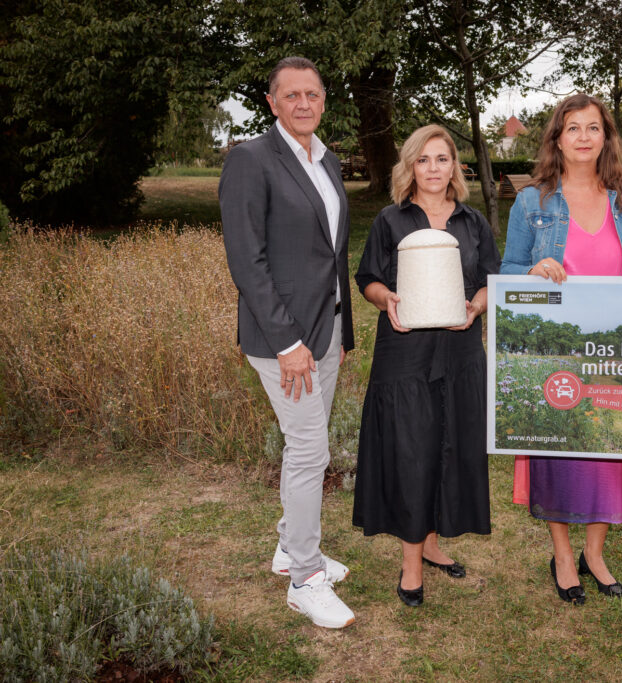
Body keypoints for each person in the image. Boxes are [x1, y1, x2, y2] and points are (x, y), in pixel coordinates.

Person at [220, 57, 356, 629]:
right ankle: (304, 578)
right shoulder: (251, 159)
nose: (304, 103)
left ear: (324, 101)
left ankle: (288, 547)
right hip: (284, 341)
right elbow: (246, 261)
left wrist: (341, 331)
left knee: (306, 446)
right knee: (310, 451)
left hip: (325, 332)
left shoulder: (327, 159)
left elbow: (332, 254)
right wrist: (287, 342)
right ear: (272, 102)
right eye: (291, 95)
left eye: (313, 94)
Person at [500, 94, 622, 605]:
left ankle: (595, 554)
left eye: (593, 128)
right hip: (555, 349)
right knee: (557, 451)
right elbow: (507, 272)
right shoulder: (532, 202)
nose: (583, 137)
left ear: (605, 138)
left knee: (608, 447)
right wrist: (532, 272)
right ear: (557, 138)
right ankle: (563, 556)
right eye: (572, 128)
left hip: (610, 349)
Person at [353, 125, 499, 607]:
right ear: (409, 167)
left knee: (450, 446)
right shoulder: (391, 220)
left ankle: (433, 545)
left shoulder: (472, 221)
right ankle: (410, 564)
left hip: (460, 354)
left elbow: (489, 281)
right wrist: (386, 299)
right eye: (423, 160)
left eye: (442, 159)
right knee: (412, 452)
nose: (434, 169)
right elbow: (367, 276)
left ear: (455, 166)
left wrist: (476, 307)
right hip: (405, 352)